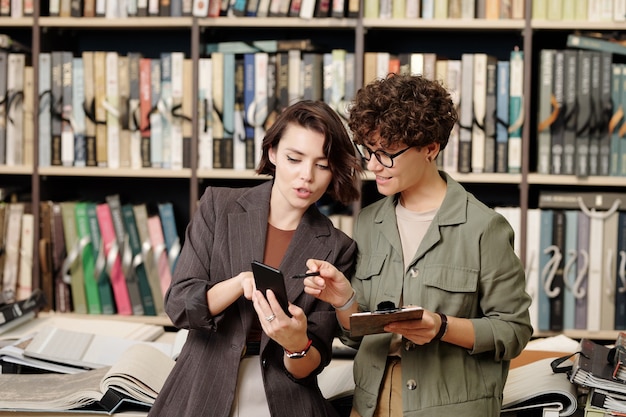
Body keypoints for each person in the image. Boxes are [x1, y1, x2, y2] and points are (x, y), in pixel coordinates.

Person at [302, 74, 533, 417]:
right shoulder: (369, 221)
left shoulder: (484, 227)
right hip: (370, 402)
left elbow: (514, 332)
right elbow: (355, 337)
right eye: (369, 150)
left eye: (387, 153)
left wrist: (441, 327)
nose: (373, 164)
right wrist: (344, 300)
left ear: (430, 148)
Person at [148, 100, 363, 417]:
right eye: (294, 158)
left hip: (284, 398)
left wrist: (296, 343)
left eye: (322, 164)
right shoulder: (218, 206)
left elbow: (310, 365)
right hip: (202, 387)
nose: (306, 176)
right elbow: (179, 306)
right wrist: (237, 284)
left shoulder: (337, 246)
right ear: (273, 153)